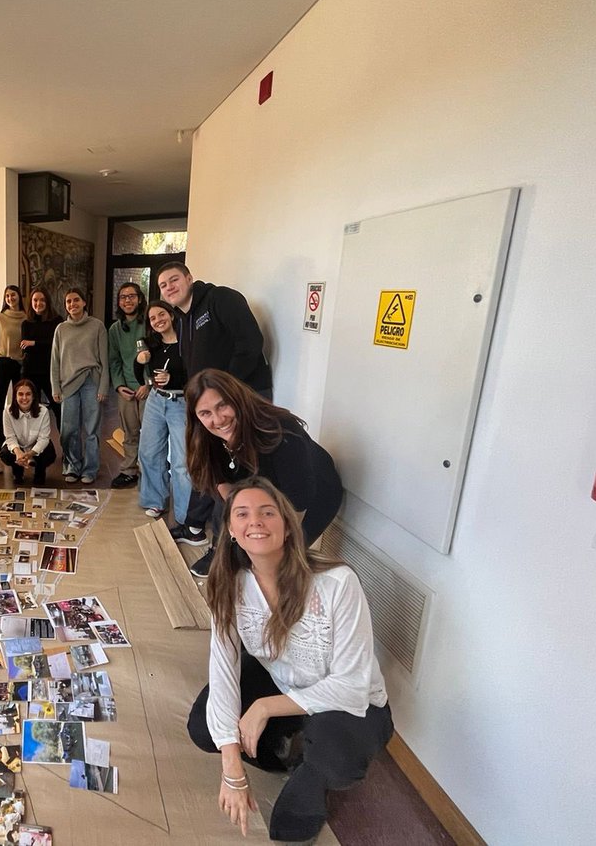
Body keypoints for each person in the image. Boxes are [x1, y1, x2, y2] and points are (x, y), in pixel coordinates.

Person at [186, 478, 392, 841]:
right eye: (243, 514)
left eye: (268, 512)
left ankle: (310, 769)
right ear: (231, 530)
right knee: (206, 729)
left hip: (350, 703)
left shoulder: (337, 583)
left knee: (332, 764)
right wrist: (231, 768)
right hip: (284, 682)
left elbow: (352, 686)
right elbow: (223, 670)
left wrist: (264, 708)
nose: (256, 522)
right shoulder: (230, 584)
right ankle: (286, 748)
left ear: (286, 525)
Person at [184, 368, 343, 578]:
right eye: (205, 413)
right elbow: (222, 483)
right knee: (241, 555)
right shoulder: (206, 437)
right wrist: (241, 530)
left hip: (312, 496)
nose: (218, 419)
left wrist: (267, 549)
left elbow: (298, 502)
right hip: (263, 490)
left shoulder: (279, 431)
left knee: (279, 563)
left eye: (222, 405)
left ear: (236, 398)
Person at [158, 260, 272, 549]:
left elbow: (250, 342)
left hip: (242, 400)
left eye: (173, 280)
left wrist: (225, 392)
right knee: (207, 460)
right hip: (211, 406)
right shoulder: (182, 320)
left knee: (235, 475)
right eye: (163, 285)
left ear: (189, 278)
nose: (169, 288)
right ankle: (195, 526)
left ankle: (223, 548)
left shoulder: (220, 299)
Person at [136, 300, 192, 525]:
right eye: (153, 318)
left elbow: (197, 374)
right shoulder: (152, 344)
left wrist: (174, 379)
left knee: (182, 461)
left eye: (161, 315)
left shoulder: (188, 342)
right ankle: (155, 500)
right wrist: (140, 362)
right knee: (149, 453)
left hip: (181, 402)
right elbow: (139, 371)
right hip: (155, 401)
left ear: (171, 315)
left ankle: (183, 513)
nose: (158, 320)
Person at [50, 287, 108, 484]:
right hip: (68, 385)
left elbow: (104, 359)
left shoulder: (97, 326)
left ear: (84, 303)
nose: (72, 304)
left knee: (92, 429)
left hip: (92, 381)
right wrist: (55, 387)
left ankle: (90, 469)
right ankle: (72, 466)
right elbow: (55, 361)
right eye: (68, 302)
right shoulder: (61, 329)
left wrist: (103, 387)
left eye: (76, 300)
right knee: (69, 429)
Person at [107, 281, 148, 489]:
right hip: (126, 390)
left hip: (148, 391)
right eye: (123, 297)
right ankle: (129, 471)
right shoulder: (115, 329)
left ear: (139, 299)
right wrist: (119, 386)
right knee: (130, 433)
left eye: (131, 296)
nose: (127, 300)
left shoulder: (149, 323)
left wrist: (147, 384)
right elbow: (114, 361)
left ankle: (150, 474)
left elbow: (157, 357)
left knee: (150, 435)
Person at [0, 378, 57, 485]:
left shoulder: (43, 411)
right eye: (20, 394)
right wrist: (18, 453)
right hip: (18, 446)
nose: (24, 398)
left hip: (35, 446)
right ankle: (18, 473)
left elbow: (44, 439)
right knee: (5, 454)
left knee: (49, 453)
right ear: (15, 397)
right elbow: (10, 437)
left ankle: (40, 472)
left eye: (28, 394)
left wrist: (30, 454)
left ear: (34, 396)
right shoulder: (7, 411)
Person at [20, 286, 62, 427]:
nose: (38, 303)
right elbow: (27, 348)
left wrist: (34, 343)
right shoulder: (26, 323)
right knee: (32, 411)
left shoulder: (57, 321)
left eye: (42, 300)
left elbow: (56, 345)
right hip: (31, 372)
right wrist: (41, 345)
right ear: (31, 302)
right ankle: (35, 446)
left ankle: (66, 446)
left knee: (58, 409)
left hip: (51, 372)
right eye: (35, 300)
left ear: (48, 302)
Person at [0, 284, 27, 454]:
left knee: (19, 403)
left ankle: (18, 437)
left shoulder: (26, 317)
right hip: (3, 363)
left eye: (13, 295)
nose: (10, 298)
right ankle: (0, 438)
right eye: (7, 296)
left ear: (19, 296)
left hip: (19, 364)